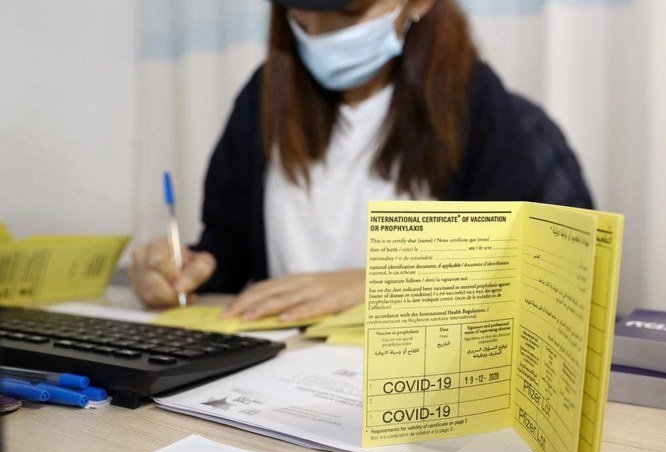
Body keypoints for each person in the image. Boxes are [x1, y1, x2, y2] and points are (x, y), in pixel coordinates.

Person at [129, 0, 593, 322]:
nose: (317, 37)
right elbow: (230, 245)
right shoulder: (264, 98)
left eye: (346, 16)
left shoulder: (476, 103)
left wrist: (377, 286)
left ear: (419, 3)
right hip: (280, 378)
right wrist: (191, 268)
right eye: (300, 18)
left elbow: (532, 272)